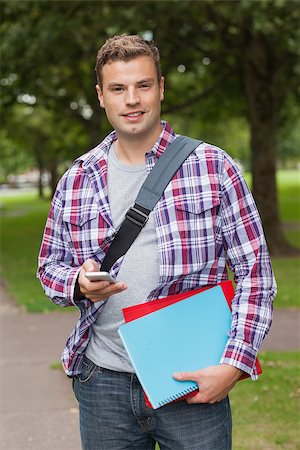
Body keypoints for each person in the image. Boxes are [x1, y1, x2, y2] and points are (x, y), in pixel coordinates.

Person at [38, 34, 276, 450]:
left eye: (143, 86)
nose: (132, 99)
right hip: (103, 382)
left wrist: (234, 363)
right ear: (101, 96)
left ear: (161, 88)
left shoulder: (214, 168)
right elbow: (49, 267)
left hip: (191, 376)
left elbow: (256, 275)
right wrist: (77, 282)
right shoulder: (77, 178)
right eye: (118, 88)